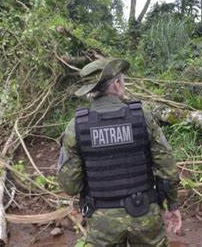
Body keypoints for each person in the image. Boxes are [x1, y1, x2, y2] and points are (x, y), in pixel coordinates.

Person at [57, 57, 182, 246]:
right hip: (145, 214)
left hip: (102, 222)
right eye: (122, 81)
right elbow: (168, 169)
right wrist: (172, 205)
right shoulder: (142, 117)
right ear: (116, 85)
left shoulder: (77, 127)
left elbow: (69, 186)